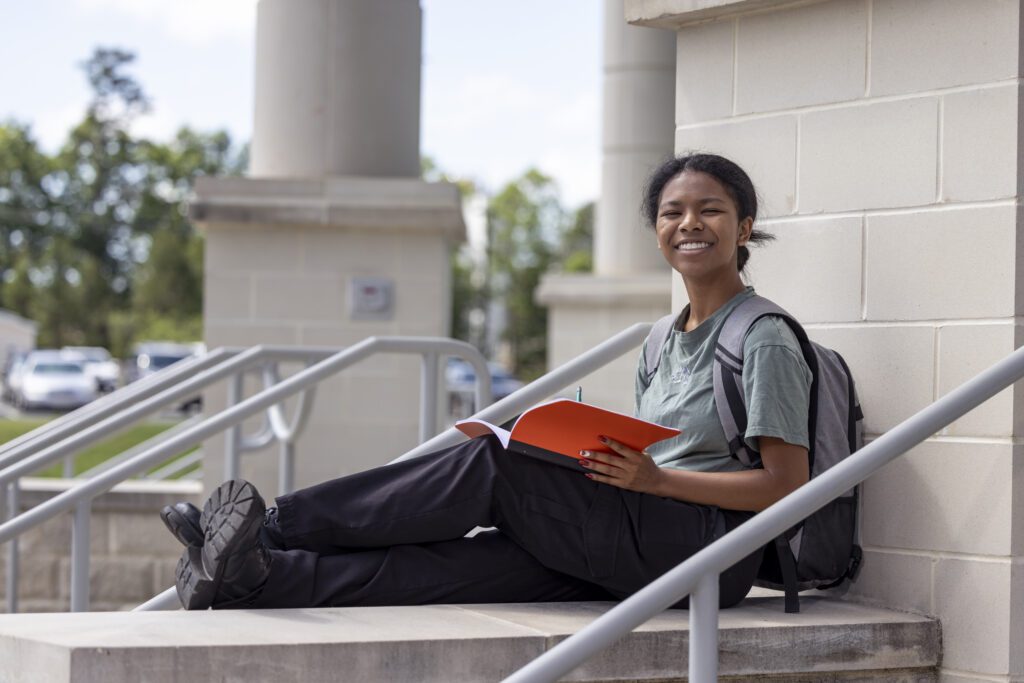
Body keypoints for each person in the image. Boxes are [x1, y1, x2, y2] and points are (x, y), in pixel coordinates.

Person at [163, 153, 812, 611]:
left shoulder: (763, 337)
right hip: (645, 533)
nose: (689, 223)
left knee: (495, 461)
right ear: (657, 231)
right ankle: (253, 576)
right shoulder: (661, 340)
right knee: (456, 568)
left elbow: (787, 485)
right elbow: (664, 452)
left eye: (711, 210)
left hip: (709, 555)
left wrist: (657, 480)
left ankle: (275, 525)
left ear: (745, 227)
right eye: (673, 212)